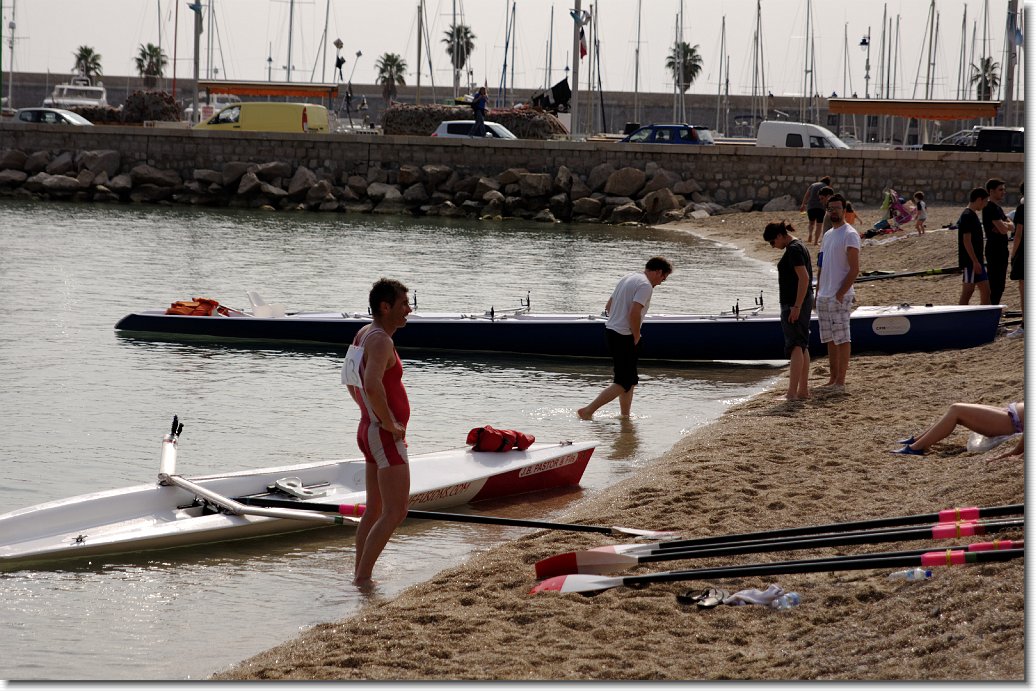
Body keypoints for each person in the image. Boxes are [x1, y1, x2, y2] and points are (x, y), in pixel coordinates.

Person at [346, 278, 412, 587]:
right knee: (396, 511)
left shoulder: (363, 333)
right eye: (403, 304)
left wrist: (369, 415)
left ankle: (359, 576)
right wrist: (388, 423)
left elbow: (349, 380)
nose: (408, 310)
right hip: (382, 435)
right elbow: (370, 385)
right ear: (385, 307)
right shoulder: (381, 340)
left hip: (367, 430)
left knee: (374, 510)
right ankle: (363, 579)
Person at [578, 257, 673, 419]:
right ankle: (587, 411)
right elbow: (634, 313)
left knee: (630, 380)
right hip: (624, 336)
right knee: (623, 382)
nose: (662, 282)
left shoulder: (628, 277)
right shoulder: (645, 285)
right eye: (664, 277)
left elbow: (608, 306)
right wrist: (636, 336)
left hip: (611, 331)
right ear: (658, 272)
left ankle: (625, 417)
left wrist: (619, 318)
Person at [763, 221, 813, 401]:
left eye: (772, 242)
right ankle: (802, 391)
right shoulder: (798, 246)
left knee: (795, 345)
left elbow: (804, 279)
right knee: (801, 343)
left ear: (779, 236)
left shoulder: (793, 249)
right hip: (799, 302)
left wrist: (797, 306)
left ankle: (792, 393)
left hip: (794, 304)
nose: (772, 246)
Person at [814, 194, 860, 391]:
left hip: (839, 295)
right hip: (824, 294)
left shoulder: (850, 234)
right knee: (829, 338)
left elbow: (855, 268)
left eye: (837, 208)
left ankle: (841, 381)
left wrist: (840, 293)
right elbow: (821, 265)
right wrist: (817, 292)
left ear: (844, 210)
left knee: (842, 338)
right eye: (830, 208)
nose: (833, 211)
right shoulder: (827, 235)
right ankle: (832, 379)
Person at [892, 402, 1024, 459]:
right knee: (955, 408)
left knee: (956, 410)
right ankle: (918, 440)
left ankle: (916, 448)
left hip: (1011, 423)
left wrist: (1015, 452)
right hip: (1011, 413)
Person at [982, 178, 1015, 305]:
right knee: (995, 284)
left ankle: (992, 311)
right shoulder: (989, 208)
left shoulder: (998, 208)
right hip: (994, 249)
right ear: (991, 191)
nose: (1003, 192)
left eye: (1004, 190)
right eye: (1000, 190)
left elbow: (1011, 226)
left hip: (1002, 248)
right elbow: (1002, 229)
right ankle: (990, 312)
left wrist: (1004, 225)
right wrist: (1004, 225)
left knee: (1000, 284)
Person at [958, 187, 991, 305]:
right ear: (979, 199)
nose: (985, 205)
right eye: (985, 201)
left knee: (986, 291)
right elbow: (966, 241)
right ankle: (960, 318)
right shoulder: (967, 215)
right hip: (970, 261)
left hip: (977, 261)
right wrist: (975, 261)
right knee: (968, 292)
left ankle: (984, 318)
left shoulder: (973, 215)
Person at [1008, 182, 1024, 338]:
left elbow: (1018, 234)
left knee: (1024, 288)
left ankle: (1025, 325)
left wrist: (1013, 255)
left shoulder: (1022, 209)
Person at [799, 176, 831, 245]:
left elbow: (807, 195)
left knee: (811, 223)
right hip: (821, 207)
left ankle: (810, 235)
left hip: (811, 206)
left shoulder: (813, 185)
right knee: (819, 225)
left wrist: (803, 204)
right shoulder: (827, 187)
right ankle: (816, 241)